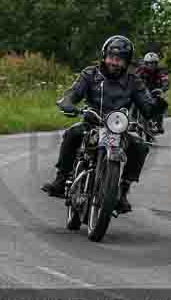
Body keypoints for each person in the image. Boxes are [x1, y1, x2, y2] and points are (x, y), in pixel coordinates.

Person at [41, 36, 162, 213]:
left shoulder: (133, 82)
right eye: (112, 57)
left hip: (117, 127)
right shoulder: (90, 74)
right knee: (72, 134)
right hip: (92, 122)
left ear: (126, 62)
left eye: (120, 59)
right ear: (104, 56)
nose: (115, 62)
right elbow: (74, 93)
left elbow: (147, 106)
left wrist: (156, 105)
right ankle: (61, 179)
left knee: (140, 146)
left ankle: (122, 192)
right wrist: (68, 102)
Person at [135, 52, 169, 134]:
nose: (151, 65)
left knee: (161, 102)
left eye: (154, 63)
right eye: (149, 63)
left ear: (156, 63)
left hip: (155, 92)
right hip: (142, 92)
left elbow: (165, 79)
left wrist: (164, 87)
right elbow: (134, 78)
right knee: (132, 101)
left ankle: (159, 124)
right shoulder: (140, 70)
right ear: (145, 63)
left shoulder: (160, 71)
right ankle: (133, 122)